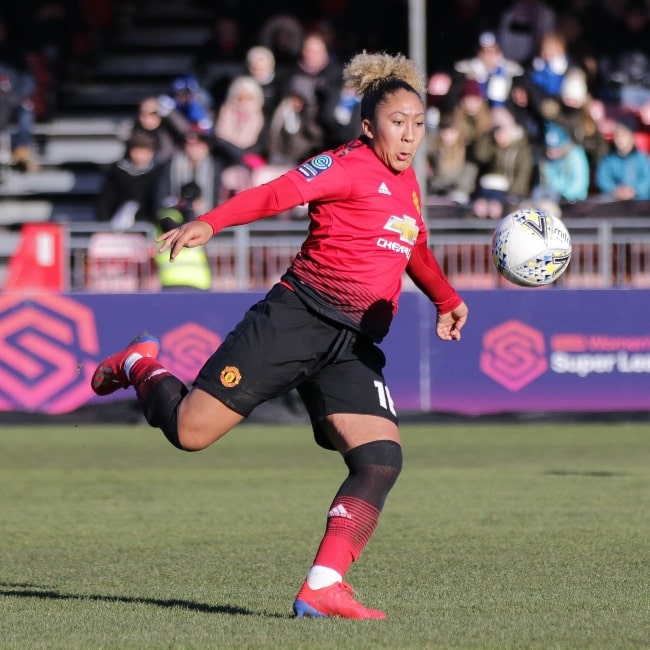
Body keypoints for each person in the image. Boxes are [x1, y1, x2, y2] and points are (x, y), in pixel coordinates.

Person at [90, 51, 468, 620]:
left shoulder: (408, 181)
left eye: (418, 123)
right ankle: (141, 365)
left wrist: (447, 298)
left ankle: (322, 586)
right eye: (398, 122)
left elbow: (411, 246)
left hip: (353, 344)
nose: (411, 135)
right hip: (298, 318)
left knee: (381, 460)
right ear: (369, 126)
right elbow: (276, 192)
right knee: (191, 433)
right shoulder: (344, 164)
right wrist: (210, 222)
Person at [95, 132, 161, 228]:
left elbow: (156, 202)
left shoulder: (157, 173)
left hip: (146, 223)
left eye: (145, 152)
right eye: (137, 151)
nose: (141, 156)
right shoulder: (117, 172)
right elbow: (106, 201)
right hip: (117, 222)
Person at [531, 122, 590, 207]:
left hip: (573, 203)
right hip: (550, 201)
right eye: (549, 150)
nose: (552, 154)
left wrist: (562, 197)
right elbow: (543, 184)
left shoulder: (576, 155)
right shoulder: (544, 159)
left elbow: (579, 186)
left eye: (557, 150)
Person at [595, 114, 650, 201]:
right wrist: (616, 191)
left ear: (632, 137)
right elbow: (602, 180)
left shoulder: (642, 159)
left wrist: (634, 191)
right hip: (614, 204)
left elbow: (647, 181)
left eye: (624, 135)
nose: (620, 139)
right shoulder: (608, 159)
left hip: (640, 205)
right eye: (617, 135)